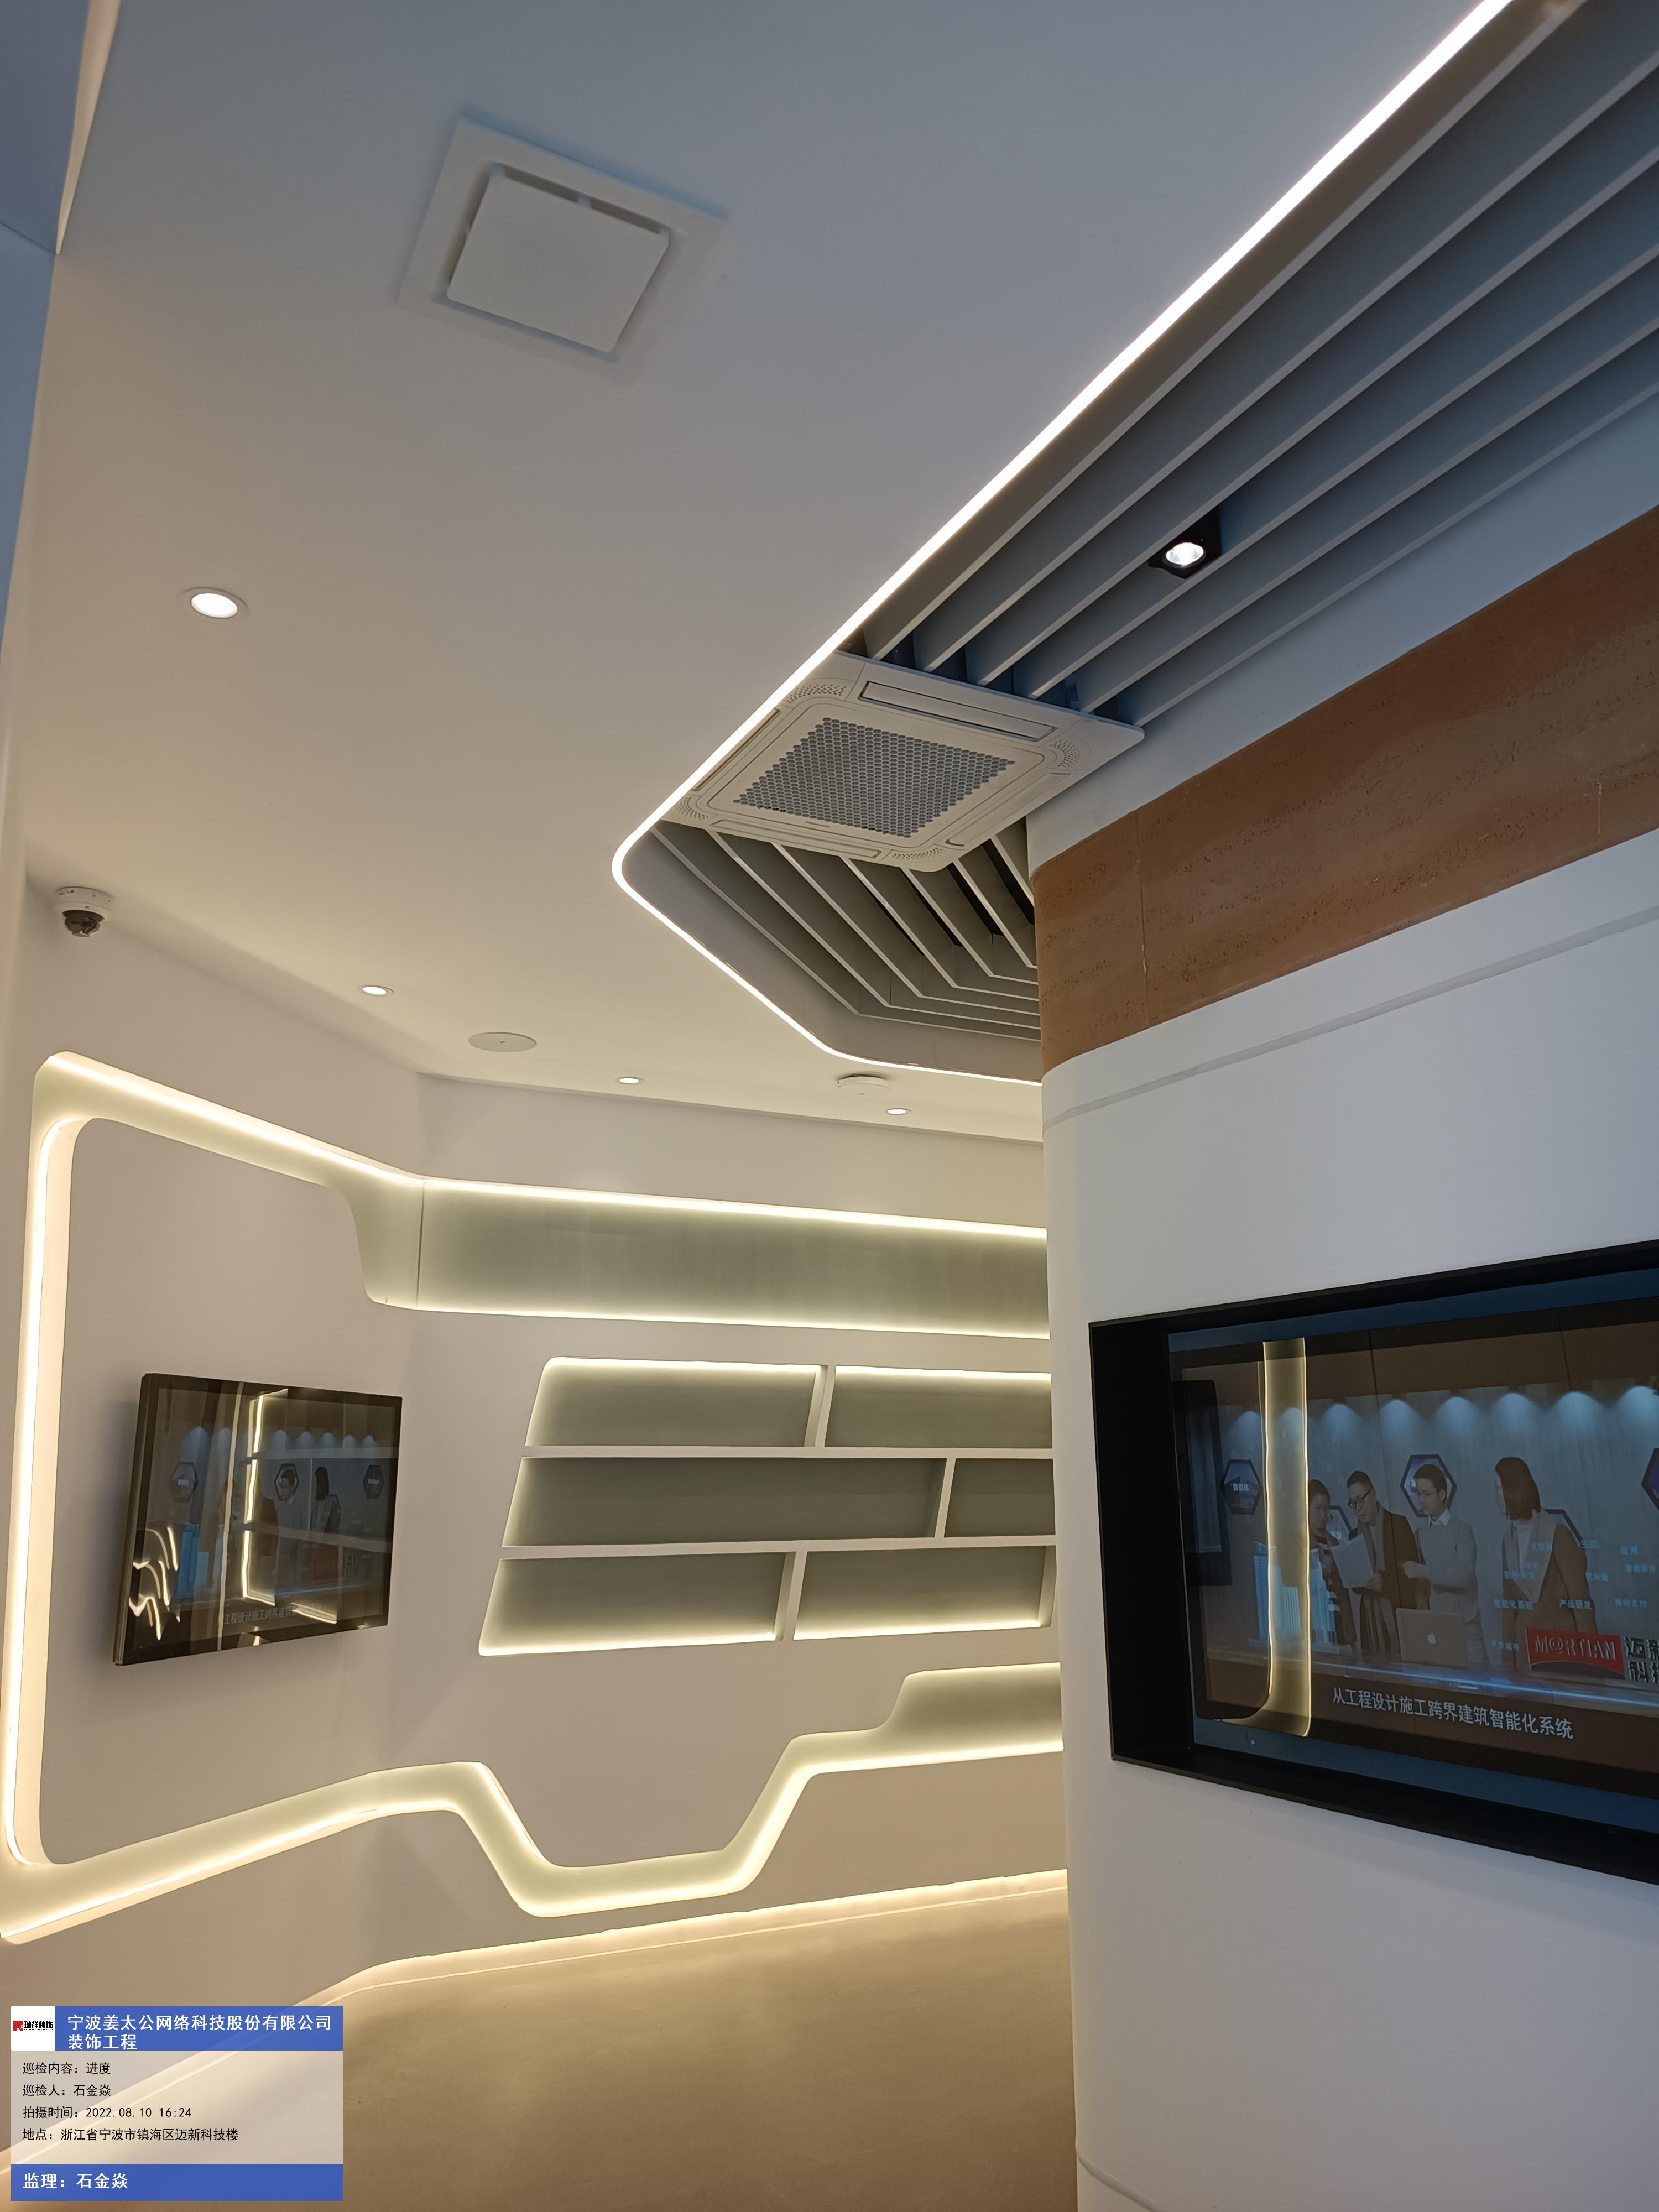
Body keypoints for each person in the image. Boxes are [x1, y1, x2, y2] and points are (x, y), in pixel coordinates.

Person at [1496, 1455, 1595, 1670]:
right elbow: (1508, 1606)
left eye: (1499, 1488)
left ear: (1513, 1490)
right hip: (1523, 1640)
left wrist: (1591, 1661)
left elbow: (1581, 1602)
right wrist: (1507, 1663)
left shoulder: (1558, 1535)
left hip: (1560, 1638)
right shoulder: (1508, 1541)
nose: (1497, 1496)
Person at [1402, 1463, 1486, 1666]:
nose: (1422, 1500)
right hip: (1437, 1629)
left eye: (1427, 1494)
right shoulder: (1420, 1534)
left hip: (1467, 1630)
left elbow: (1463, 1575)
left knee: (1480, 1682)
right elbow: (1420, 1588)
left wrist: (1422, 1571)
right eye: (1419, 1494)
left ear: (1442, 1494)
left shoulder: (1462, 1531)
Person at [1345, 1470, 1423, 1658]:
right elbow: (1356, 1586)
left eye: (1361, 1500)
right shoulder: (1354, 1536)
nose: (1359, 1508)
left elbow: (1413, 1571)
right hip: (1370, 1618)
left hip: (1399, 1610)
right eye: (1353, 1503)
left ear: (1373, 1494)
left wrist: (1384, 1580)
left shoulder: (1398, 1524)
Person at [1308, 1480, 1355, 1648]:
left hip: (1338, 1615)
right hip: (1315, 1617)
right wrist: (1318, 1569)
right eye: (1318, 1508)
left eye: (1326, 1509)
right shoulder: (1299, 1542)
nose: (1323, 1514)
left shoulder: (1335, 1543)